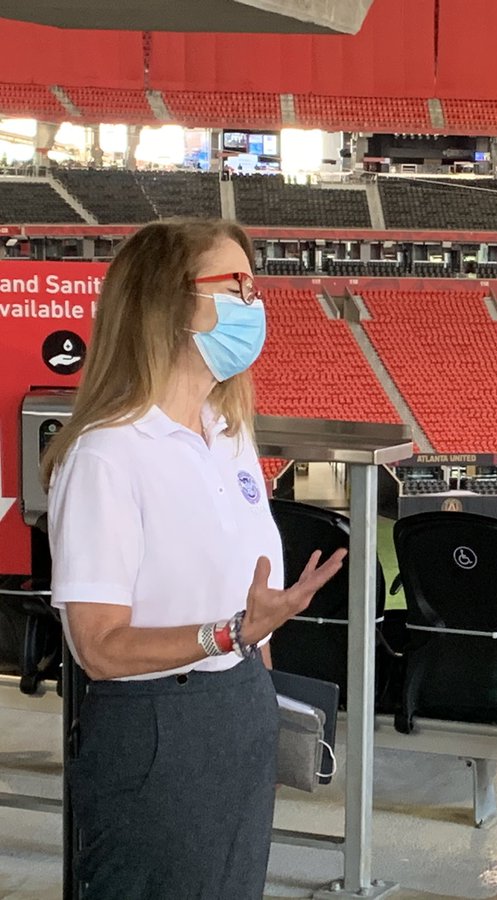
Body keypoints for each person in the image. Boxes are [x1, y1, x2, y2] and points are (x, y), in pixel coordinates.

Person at [44, 219, 346, 899]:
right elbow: (99, 647)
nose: (253, 300)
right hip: (153, 729)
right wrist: (230, 631)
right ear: (168, 302)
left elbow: (248, 595)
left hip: (235, 710)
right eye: (233, 285)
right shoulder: (106, 454)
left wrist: (255, 660)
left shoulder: (228, 437)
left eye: (254, 283)